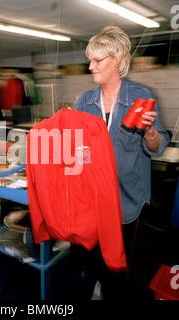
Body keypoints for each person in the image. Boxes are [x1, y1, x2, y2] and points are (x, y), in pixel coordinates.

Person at [73, 25, 170, 299]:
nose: (90, 66)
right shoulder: (84, 100)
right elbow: (79, 148)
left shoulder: (140, 97)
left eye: (97, 60)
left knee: (120, 262)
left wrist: (150, 132)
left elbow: (157, 146)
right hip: (92, 199)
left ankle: (111, 288)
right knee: (91, 253)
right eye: (89, 60)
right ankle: (102, 280)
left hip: (126, 199)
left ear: (116, 60)